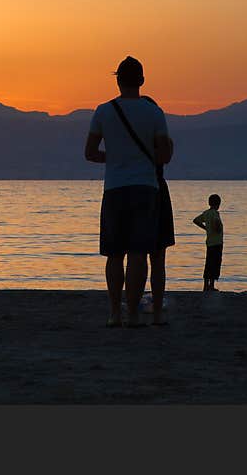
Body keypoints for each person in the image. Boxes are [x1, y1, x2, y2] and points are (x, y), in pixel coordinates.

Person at [85, 56, 172, 327]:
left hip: (114, 189)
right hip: (146, 188)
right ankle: (133, 314)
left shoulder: (103, 111)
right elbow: (164, 155)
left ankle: (114, 313)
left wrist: (114, 158)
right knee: (138, 253)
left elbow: (90, 153)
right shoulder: (154, 113)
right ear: (142, 81)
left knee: (114, 254)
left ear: (118, 81)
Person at [142, 96, 175, 326]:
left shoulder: (133, 143)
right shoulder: (163, 141)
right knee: (158, 257)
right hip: (157, 191)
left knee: (135, 254)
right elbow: (166, 156)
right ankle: (156, 310)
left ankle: (135, 304)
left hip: (137, 189)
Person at [193, 194, 224, 292]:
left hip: (209, 243)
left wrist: (206, 228)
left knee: (208, 264)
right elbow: (216, 223)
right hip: (217, 243)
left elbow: (196, 220)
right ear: (218, 204)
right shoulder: (215, 213)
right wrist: (218, 229)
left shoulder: (206, 213)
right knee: (215, 264)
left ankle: (206, 285)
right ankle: (211, 285)